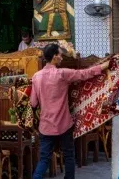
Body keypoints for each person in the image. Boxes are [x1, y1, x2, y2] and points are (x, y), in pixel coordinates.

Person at [31, 44, 109, 179]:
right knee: (69, 156)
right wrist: (103, 66)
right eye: (60, 55)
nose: (62, 57)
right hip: (63, 124)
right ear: (54, 57)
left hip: (46, 125)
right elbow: (84, 74)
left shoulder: (36, 77)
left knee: (44, 159)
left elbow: (33, 102)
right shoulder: (62, 74)